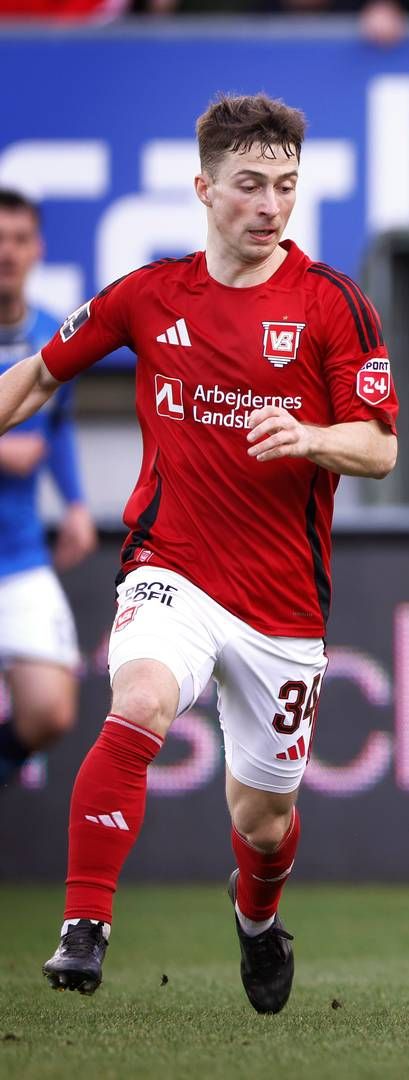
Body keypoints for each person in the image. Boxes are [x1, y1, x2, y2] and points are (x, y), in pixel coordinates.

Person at [0, 93, 398, 1013]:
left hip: (283, 605)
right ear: (204, 189)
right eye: (251, 185)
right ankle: (85, 925)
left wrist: (309, 435)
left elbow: (379, 448)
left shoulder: (334, 305)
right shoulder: (149, 295)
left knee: (263, 822)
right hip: (168, 565)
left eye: (287, 187)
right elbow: (32, 381)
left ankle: (257, 919)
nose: (271, 206)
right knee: (136, 701)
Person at [0, 190, 96, 787]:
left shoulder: (51, 332)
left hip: (19, 555)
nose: (6, 252)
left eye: (18, 239)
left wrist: (79, 505)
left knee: (51, 711)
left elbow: (57, 430)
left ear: (36, 249)